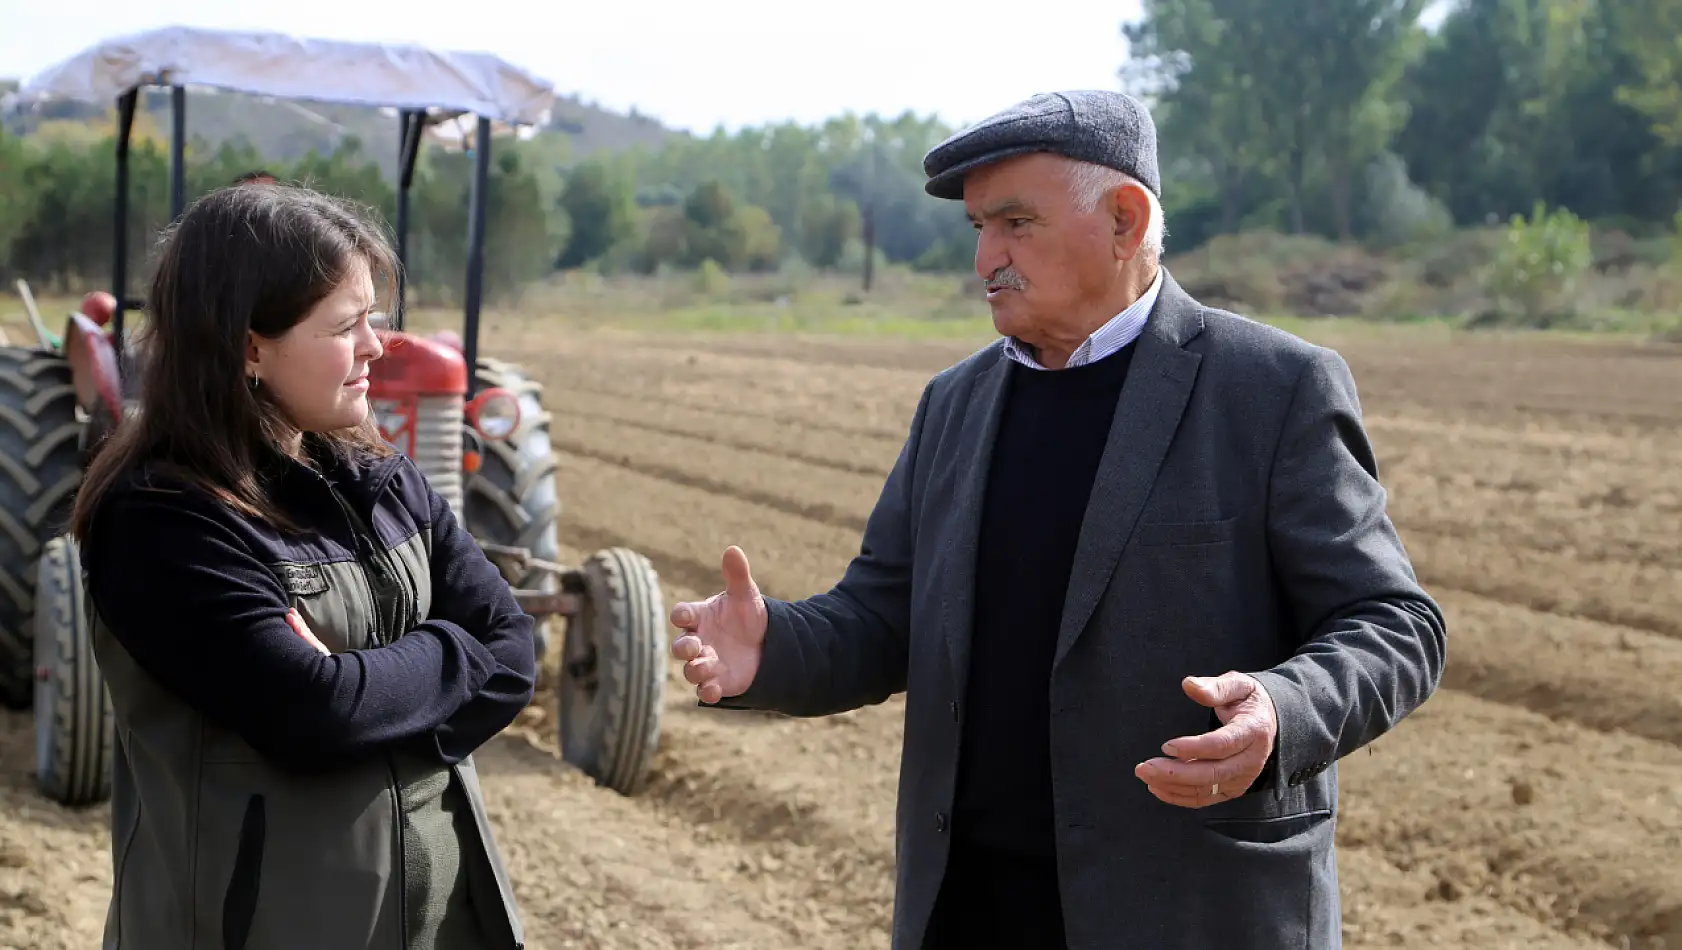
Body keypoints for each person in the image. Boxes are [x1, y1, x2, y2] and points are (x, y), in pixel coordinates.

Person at [669, 90, 1447, 950]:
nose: (986, 259)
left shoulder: (1270, 389)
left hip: (1193, 913)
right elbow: (885, 618)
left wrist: (1283, 709)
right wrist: (772, 646)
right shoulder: (955, 406)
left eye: (1014, 224)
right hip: (975, 913)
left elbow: (1395, 623)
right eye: (977, 229)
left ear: (1124, 218)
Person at [71, 181, 535, 950]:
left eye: (373, 319)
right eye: (346, 325)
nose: (376, 347)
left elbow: (514, 650)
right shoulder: (162, 522)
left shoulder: (387, 482)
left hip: (440, 926)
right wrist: (453, 656)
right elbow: (310, 714)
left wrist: (370, 686)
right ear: (250, 346)